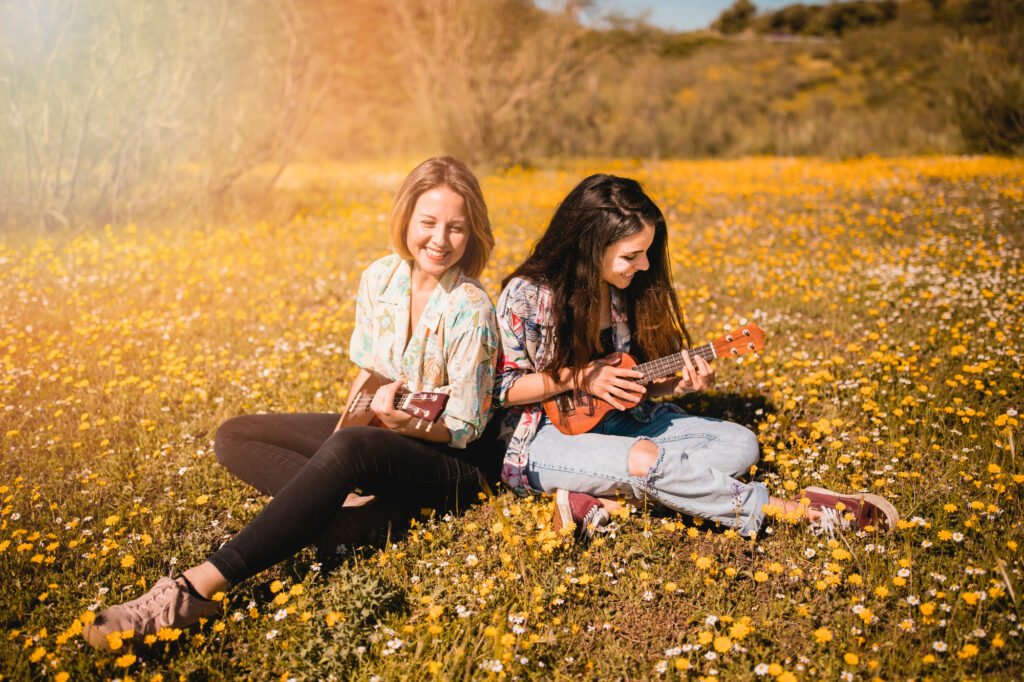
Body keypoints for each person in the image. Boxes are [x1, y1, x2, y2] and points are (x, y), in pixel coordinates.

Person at [84, 156, 500, 649]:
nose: (439, 239)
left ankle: (195, 588)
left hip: (451, 459)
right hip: (381, 437)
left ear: (471, 234)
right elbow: (371, 371)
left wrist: (395, 427)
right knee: (235, 435)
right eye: (428, 223)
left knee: (348, 450)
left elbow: (467, 426)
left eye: (456, 228)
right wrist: (350, 428)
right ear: (406, 218)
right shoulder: (382, 278)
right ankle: (346, 518)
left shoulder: (471, 308)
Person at [493, 173, 898, 541]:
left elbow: (621, 387)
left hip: (610, 421)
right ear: (590, 245)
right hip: (540, 436)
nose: (646, 265)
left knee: (740, 445)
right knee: (646, 459)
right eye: (631, 255)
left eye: (646, 252)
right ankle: (799, 513)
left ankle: (602, 499)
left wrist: (674, 384)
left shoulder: (617, 289)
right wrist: (578, 378)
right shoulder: (528, 295)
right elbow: (501, 390)